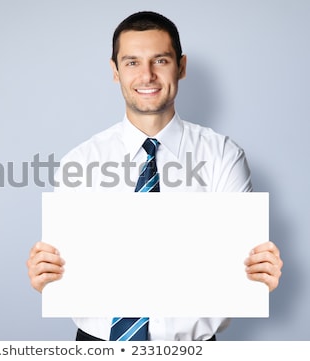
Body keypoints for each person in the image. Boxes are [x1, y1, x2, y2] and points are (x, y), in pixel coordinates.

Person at [26, 11, 283, 341]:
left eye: (160, 60)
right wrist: (46, 276)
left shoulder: (222, 156)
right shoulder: (80, 161)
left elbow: (240, 264)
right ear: (115, 71)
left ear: (181, 66)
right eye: (132, 62)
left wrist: (257, 274)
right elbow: (63, 269)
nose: (146, 75)